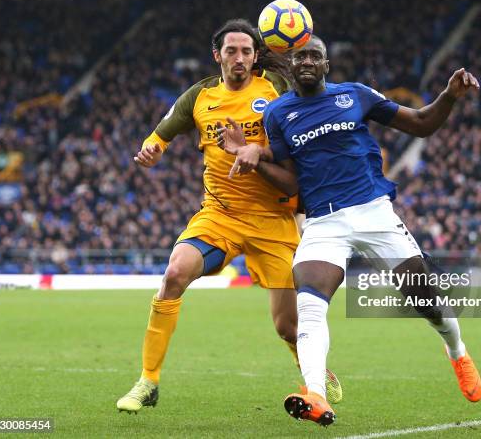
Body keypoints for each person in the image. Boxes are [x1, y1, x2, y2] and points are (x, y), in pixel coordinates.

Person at [218, 35, 481, 426]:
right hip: (324, 222)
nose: (307, 61)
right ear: (291, 66)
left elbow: (423, 124)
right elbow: (290, 184)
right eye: (300, 56)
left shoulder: (355, 95)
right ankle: (316, 395)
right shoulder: (277, 114)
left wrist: (448, 95)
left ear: (326, 65)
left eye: (315, 56)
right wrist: (252, 159)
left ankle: (456, 350)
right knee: (309, 304)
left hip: (374, 213)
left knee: (426, 301)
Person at [116, 22, 342, 414]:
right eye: (232, 51)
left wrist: (258, 149)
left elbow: (307, 117)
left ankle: (314, 376)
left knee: (288, 327)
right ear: (216, 55)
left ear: (257, 56)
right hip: (219, 216)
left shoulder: (274, 87)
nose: (239, 58)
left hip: (273, 220)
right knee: (173, 275)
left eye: (247, 52)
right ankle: (148, 381)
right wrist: (151, 149)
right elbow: (163, 130)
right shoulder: (201, 96)